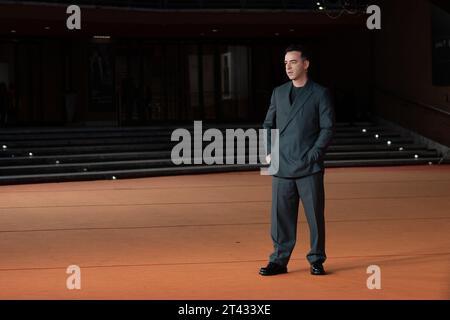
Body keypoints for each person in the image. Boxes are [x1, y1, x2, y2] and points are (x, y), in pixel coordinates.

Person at [260, 44, 335, 276]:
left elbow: (327, 127)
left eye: (293, 62)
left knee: (314, 216)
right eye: (285, 63)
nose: (288, 67)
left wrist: (314, 154)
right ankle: (279, 261)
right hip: (281, 164)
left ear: (305, 64)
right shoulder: (278, 92)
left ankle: (316, 259)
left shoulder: (320, 93)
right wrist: (269, 153)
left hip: (309, 166)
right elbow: (267, 125)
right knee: (280, 216)